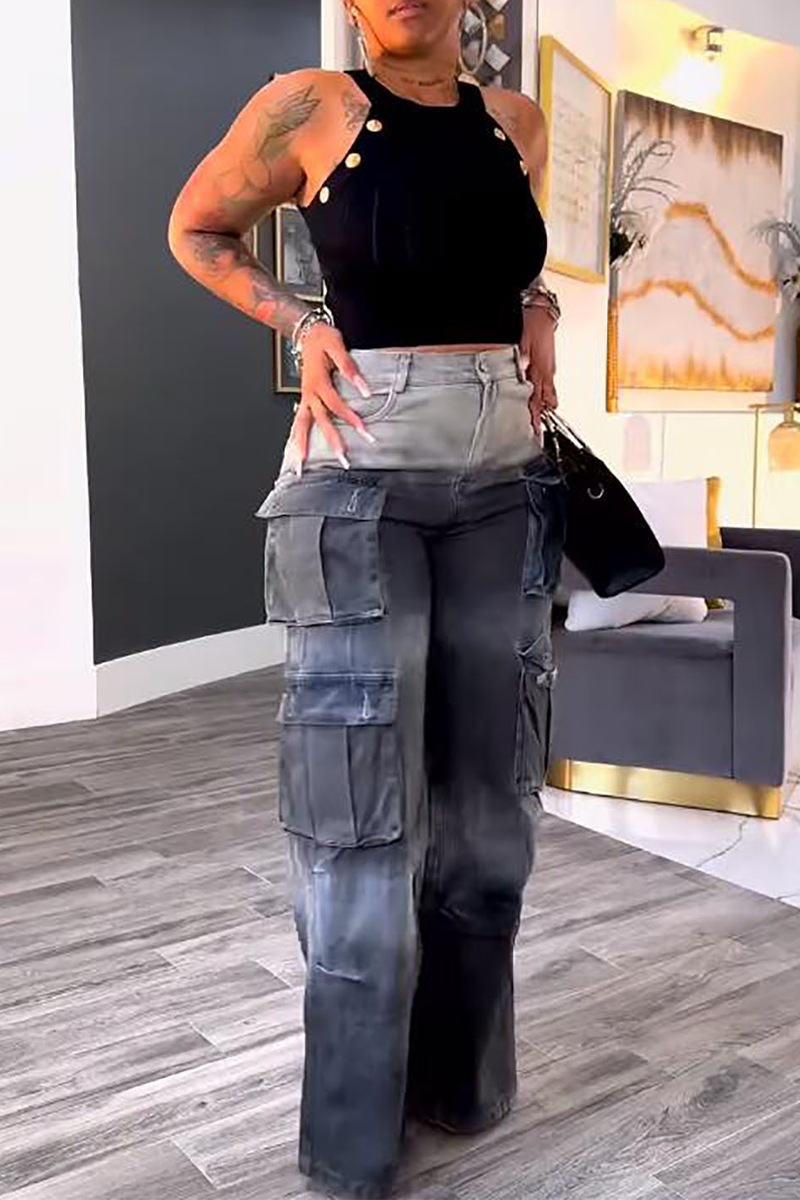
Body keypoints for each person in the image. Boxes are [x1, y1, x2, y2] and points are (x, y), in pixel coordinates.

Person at [168, 2, 566, 1196]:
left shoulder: (514, 122)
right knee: (357, 820)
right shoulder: (309, 106)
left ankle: (463, 1082)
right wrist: (301, 326)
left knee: (490, 804)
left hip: (504, 476)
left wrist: (538, 315)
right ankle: (351, 1140)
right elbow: (196, 229)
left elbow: (506, 262)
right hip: (358, 478)